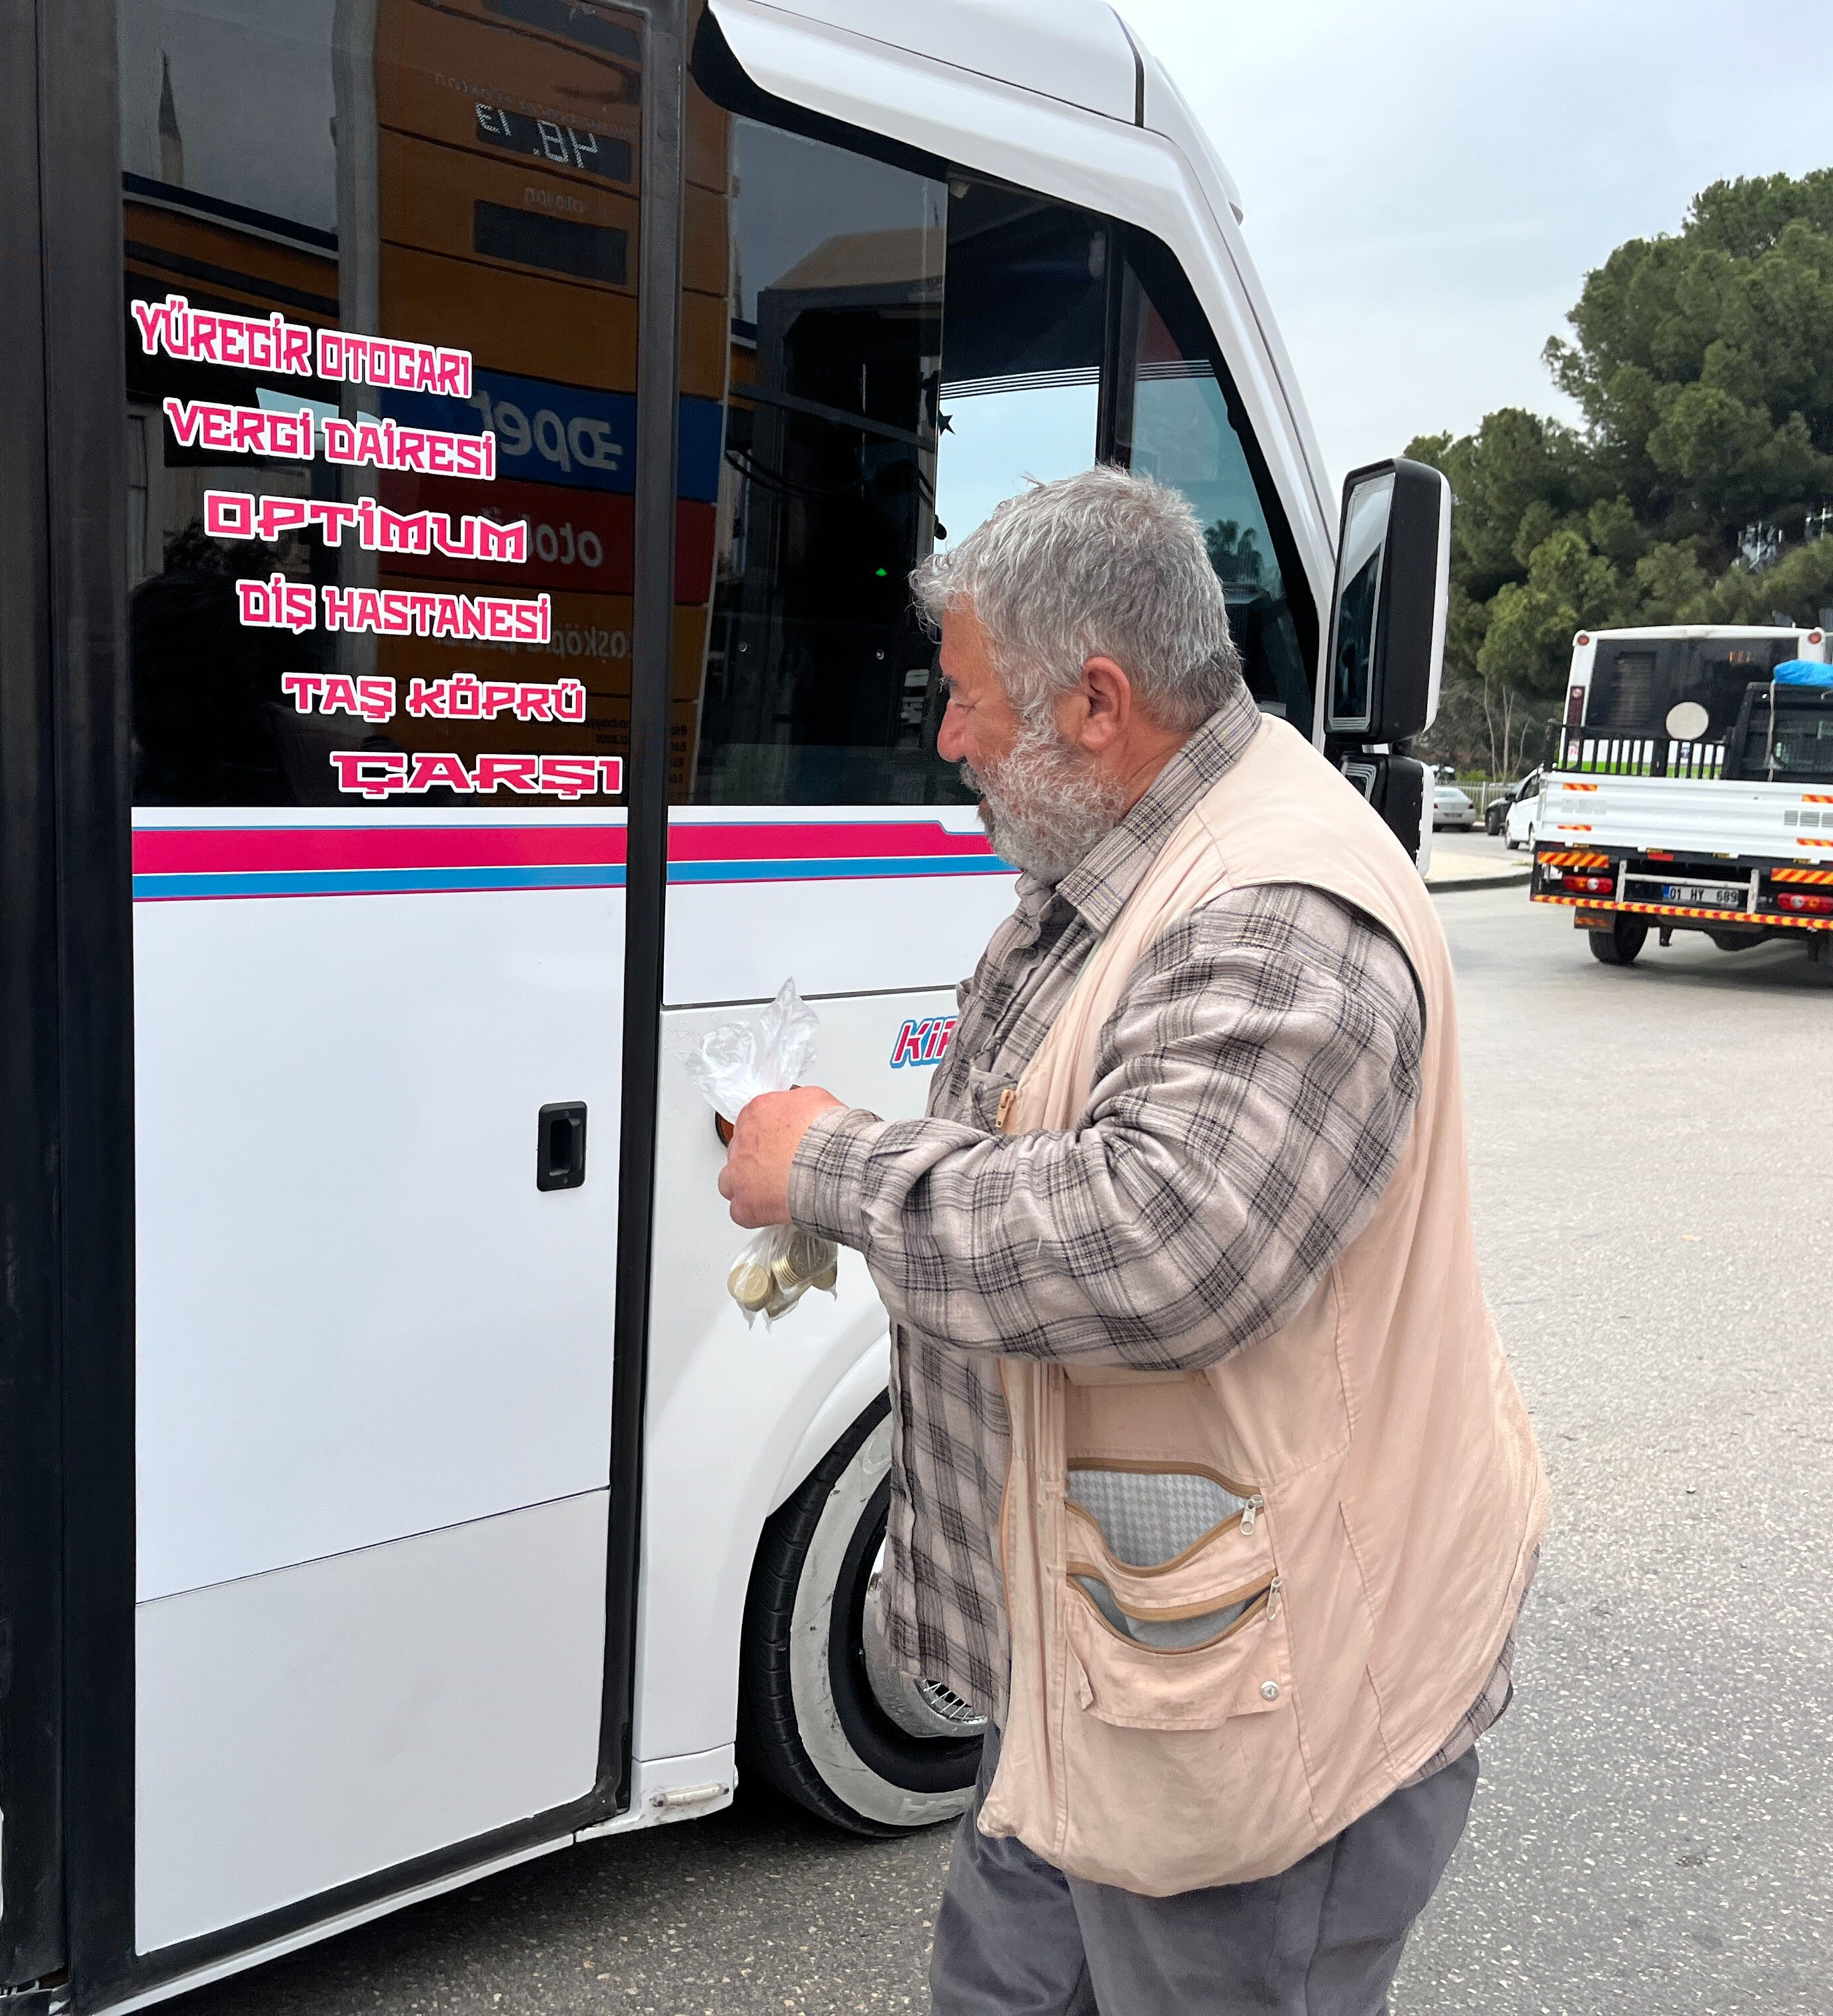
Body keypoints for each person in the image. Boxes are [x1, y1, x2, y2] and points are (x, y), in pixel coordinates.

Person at [717, 467, 1548, 2015]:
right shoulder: (1115, 853)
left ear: (1096, 701)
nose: (946, 737)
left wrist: (834, 1169)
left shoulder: (1275, 907)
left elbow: (1162, 1244)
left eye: (967, 700)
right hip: (1103, 1690)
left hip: (1258, 1742)